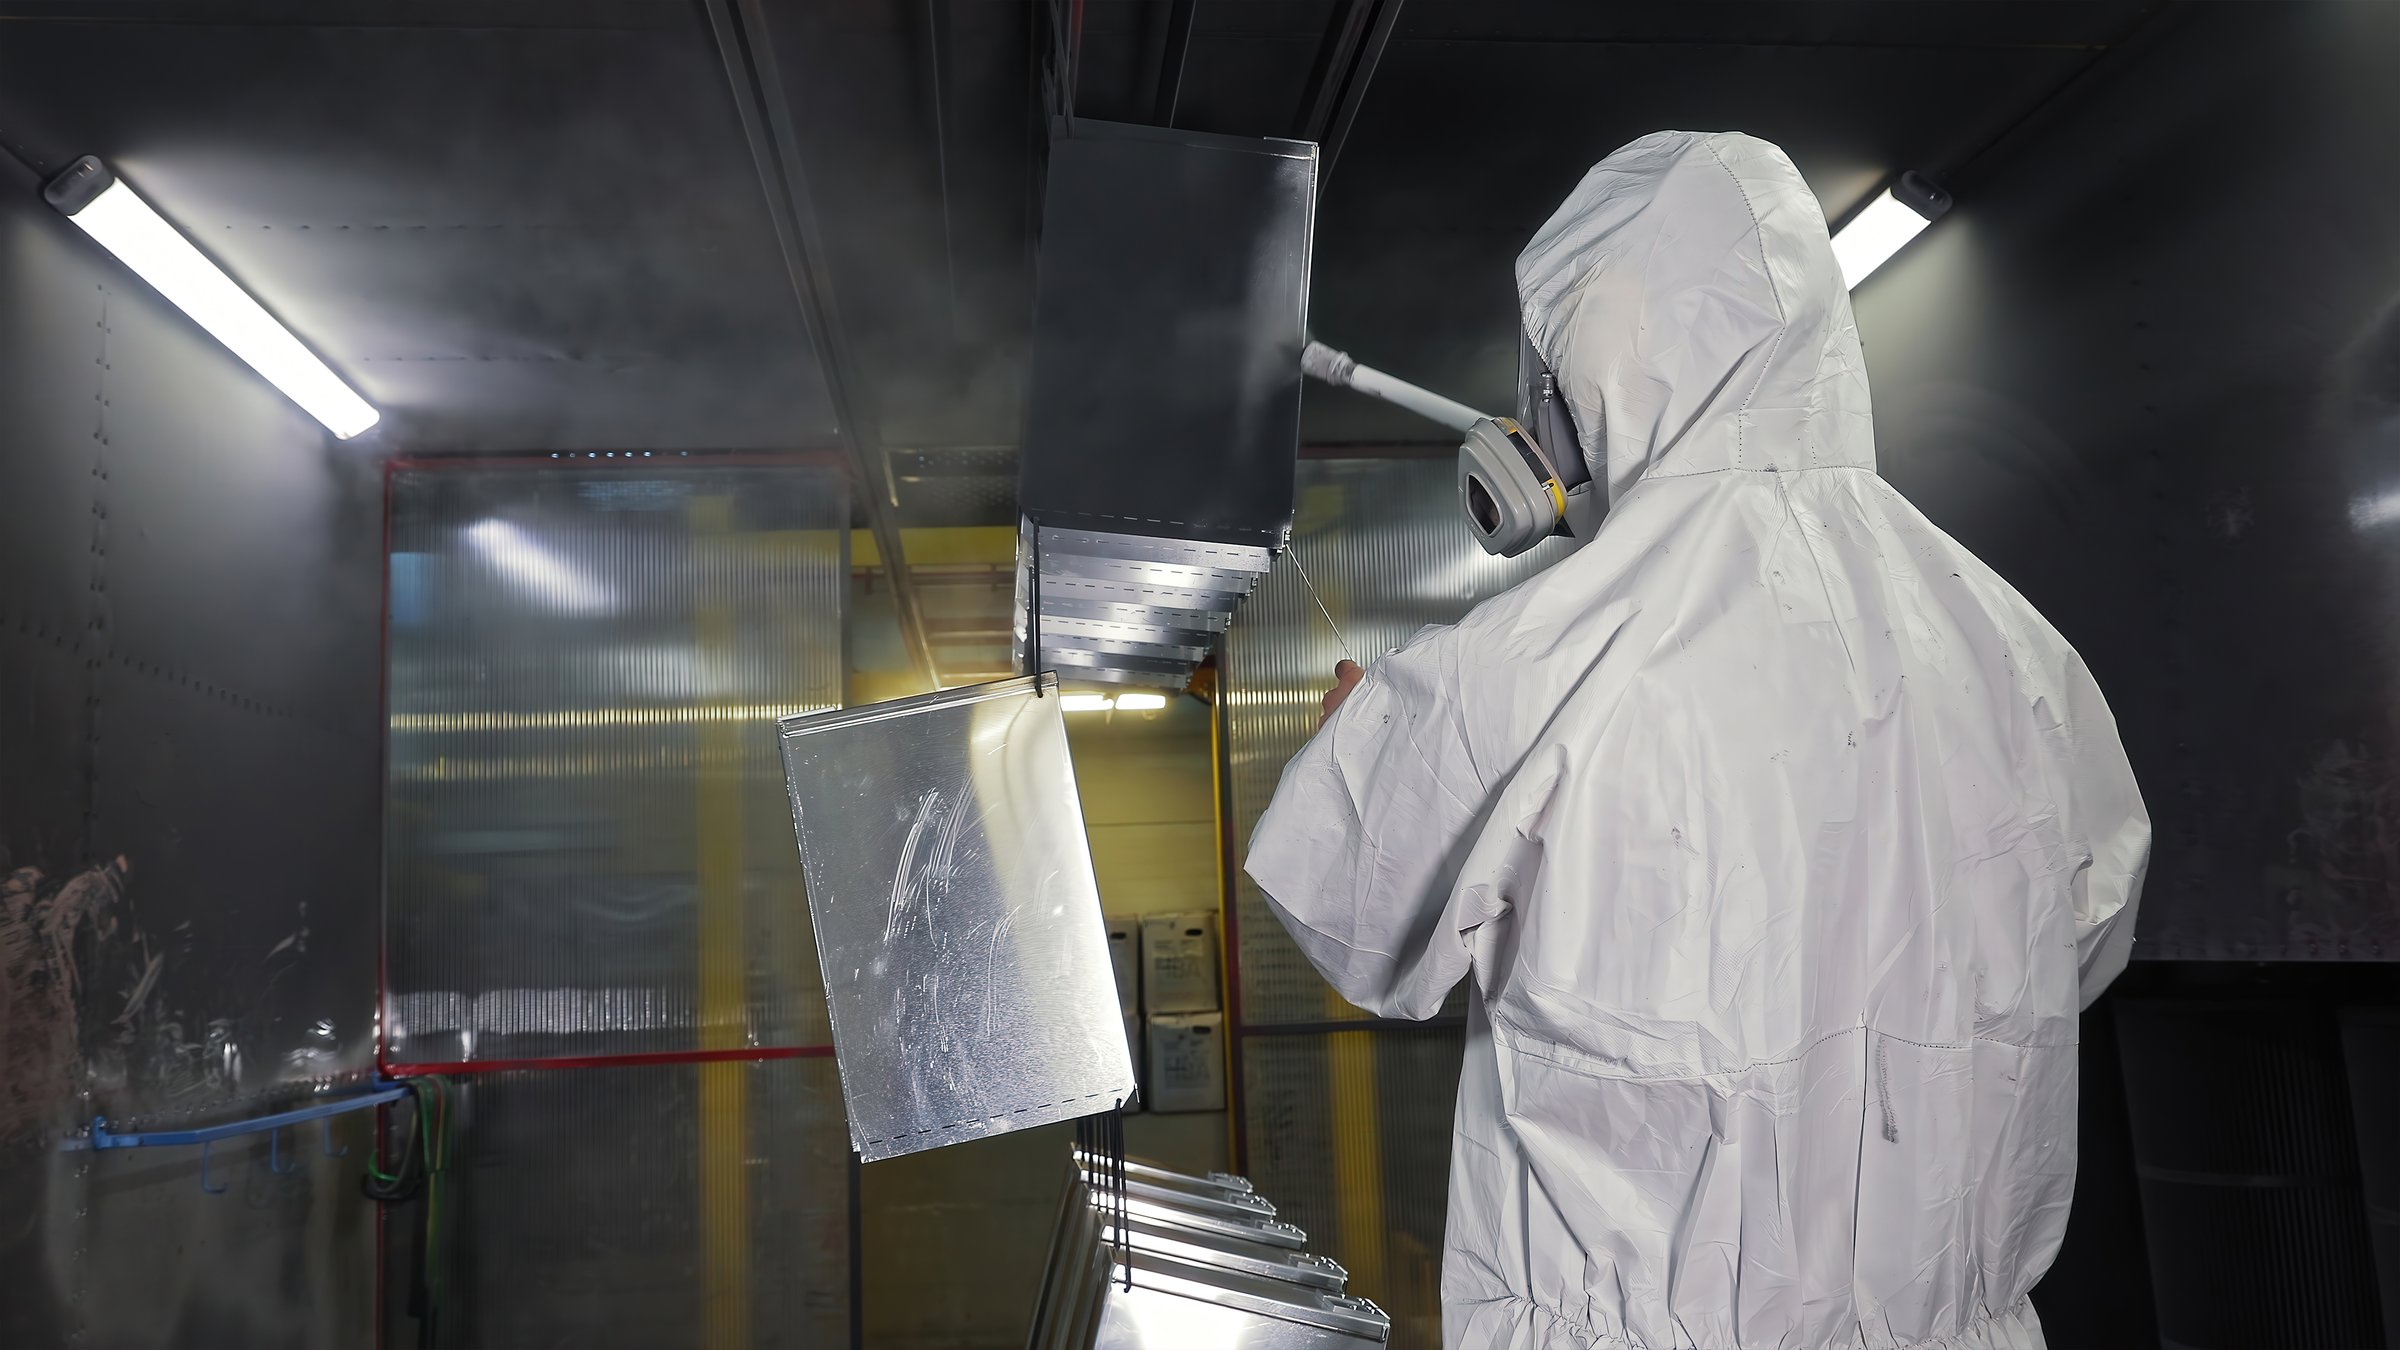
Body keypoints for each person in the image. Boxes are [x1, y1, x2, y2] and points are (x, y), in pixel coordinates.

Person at [1245, 131, 2148, 1350]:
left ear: (1593, 375)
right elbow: (2081, 959)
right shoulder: (2021, 657)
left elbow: (1348, 918)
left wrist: (1366, 734)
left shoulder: (1531, 666)